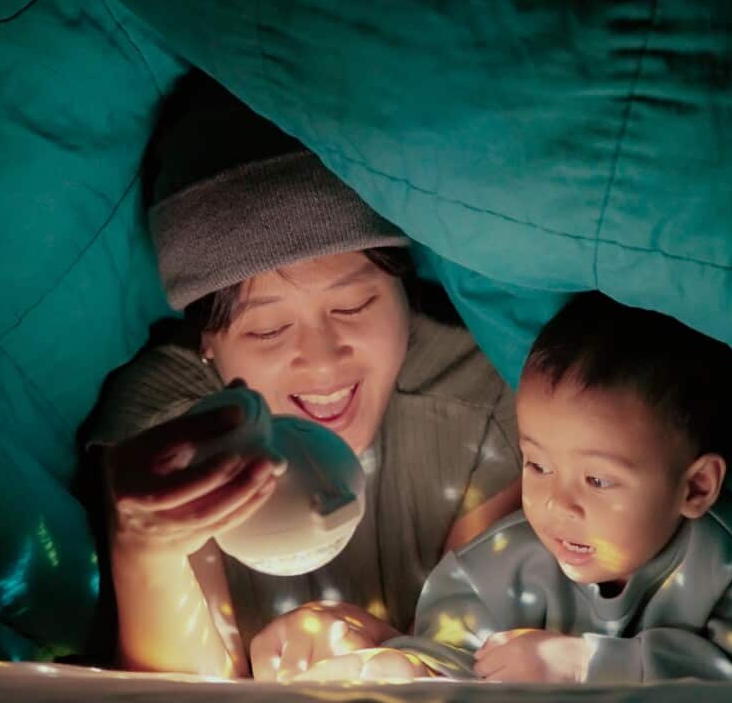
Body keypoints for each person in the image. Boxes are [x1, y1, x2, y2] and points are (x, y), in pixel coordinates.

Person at [79, 72, 522, 679]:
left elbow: (490, 658)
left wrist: (385, 645)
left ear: (403, 291)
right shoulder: (167, 424)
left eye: (352, 307)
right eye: (266, 330)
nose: (321, 360)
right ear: (208, 341)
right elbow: (182, 690)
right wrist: (145, 551)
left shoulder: (479, 392)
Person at [297, 292, 732, 683]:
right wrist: (409, 666)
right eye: (537, 465)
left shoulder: (731, 566)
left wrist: (582, 666)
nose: (557, 503)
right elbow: (452, 652)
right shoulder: (494, 565)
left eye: (597, 480)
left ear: (696, 487)